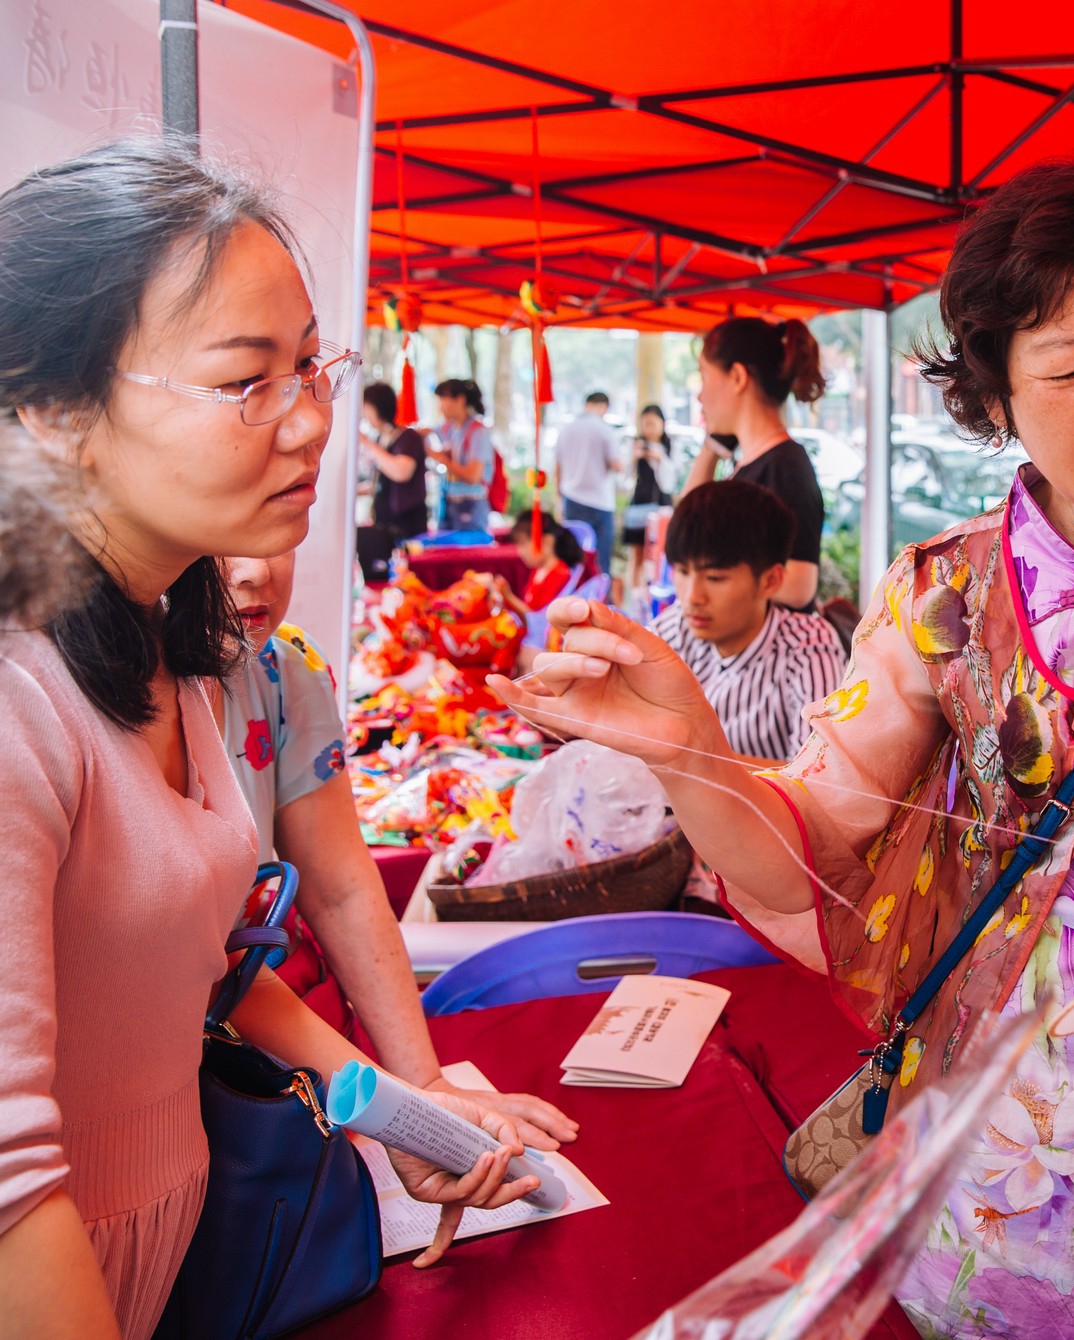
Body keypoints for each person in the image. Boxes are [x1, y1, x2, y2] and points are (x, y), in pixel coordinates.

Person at [494, 151, 1074, 1340]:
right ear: (994, 392)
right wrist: (688, 747)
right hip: (1010, 1141)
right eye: (1068, 367)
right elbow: (811, 843)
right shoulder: (938, 593)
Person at [0, 138, 541, 1340]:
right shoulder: (18, 703)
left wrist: (413, 1116)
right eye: (247, 381)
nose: (309, 425)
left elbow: (218, 977)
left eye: (310, 369)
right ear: (50, 405)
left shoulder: (177, 662)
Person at [219, 550, 578, 1144]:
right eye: (222, 533)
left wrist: (424, 1086)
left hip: (277, 1061)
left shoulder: (284, 668)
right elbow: (214, 970)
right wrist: (405, 1102)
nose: (254, 569)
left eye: (274, 529)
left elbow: (340, 889)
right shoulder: (76, 699)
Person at [648, 480, 846, 766]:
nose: (692, 597)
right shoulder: (675, 629)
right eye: (682, 572)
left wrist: (686, 760)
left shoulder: (807, 650)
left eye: (715, 578)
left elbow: (817, 777)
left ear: (770, 581)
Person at [684, 318, 826, 611]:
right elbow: (688, 528)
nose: (700, 394)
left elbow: (800, 584)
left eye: (704, 376)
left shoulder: (786, 467)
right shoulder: (754, 463)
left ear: (737, 377)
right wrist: (712, 445)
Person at [355, 380, 429, 580]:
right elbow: (382, 481)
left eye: (366, 408)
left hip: (406, 525)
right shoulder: (381, 439)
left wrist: (367, 443)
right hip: (384, 523)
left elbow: (401, 472)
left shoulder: (408, 438)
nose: (364, 415)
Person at [552, 390, 624, 585]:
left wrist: (559, 498)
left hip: (571, 499)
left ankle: (572, 602)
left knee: (573, 558)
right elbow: (617, 464)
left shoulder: (567, 429)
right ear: (603, 407)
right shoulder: (604, 430)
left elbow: (557, 467)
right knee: (600, 561)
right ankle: (599, 604)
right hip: (600, 502)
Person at [492, 510, 585, 619]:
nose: (520, 551)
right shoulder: (538, 570)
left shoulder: (559, 574)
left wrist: (508, 596)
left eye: (523, 544)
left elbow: (539, 621)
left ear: (547, 542)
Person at [430, 377, 495, 532]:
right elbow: (426, 431)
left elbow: (473, 476)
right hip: (448, 501)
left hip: (470, 505)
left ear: (460, 400)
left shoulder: (478, 431)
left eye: (443, 401)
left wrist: (441, 458)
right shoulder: (449, 428)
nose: (440, 408)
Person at [622, 403, 674, 596]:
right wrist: (634, 457)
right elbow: (625, 479)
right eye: (645, 424)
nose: (648, 429)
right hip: (638, 506)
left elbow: (669, 483)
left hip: (661, 507)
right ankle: (636, 596)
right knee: (637, 554)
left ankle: (653, 592)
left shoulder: (669, 448)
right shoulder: (636, 445)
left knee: (658, 553)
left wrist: (659, 458)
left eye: (652, 423)